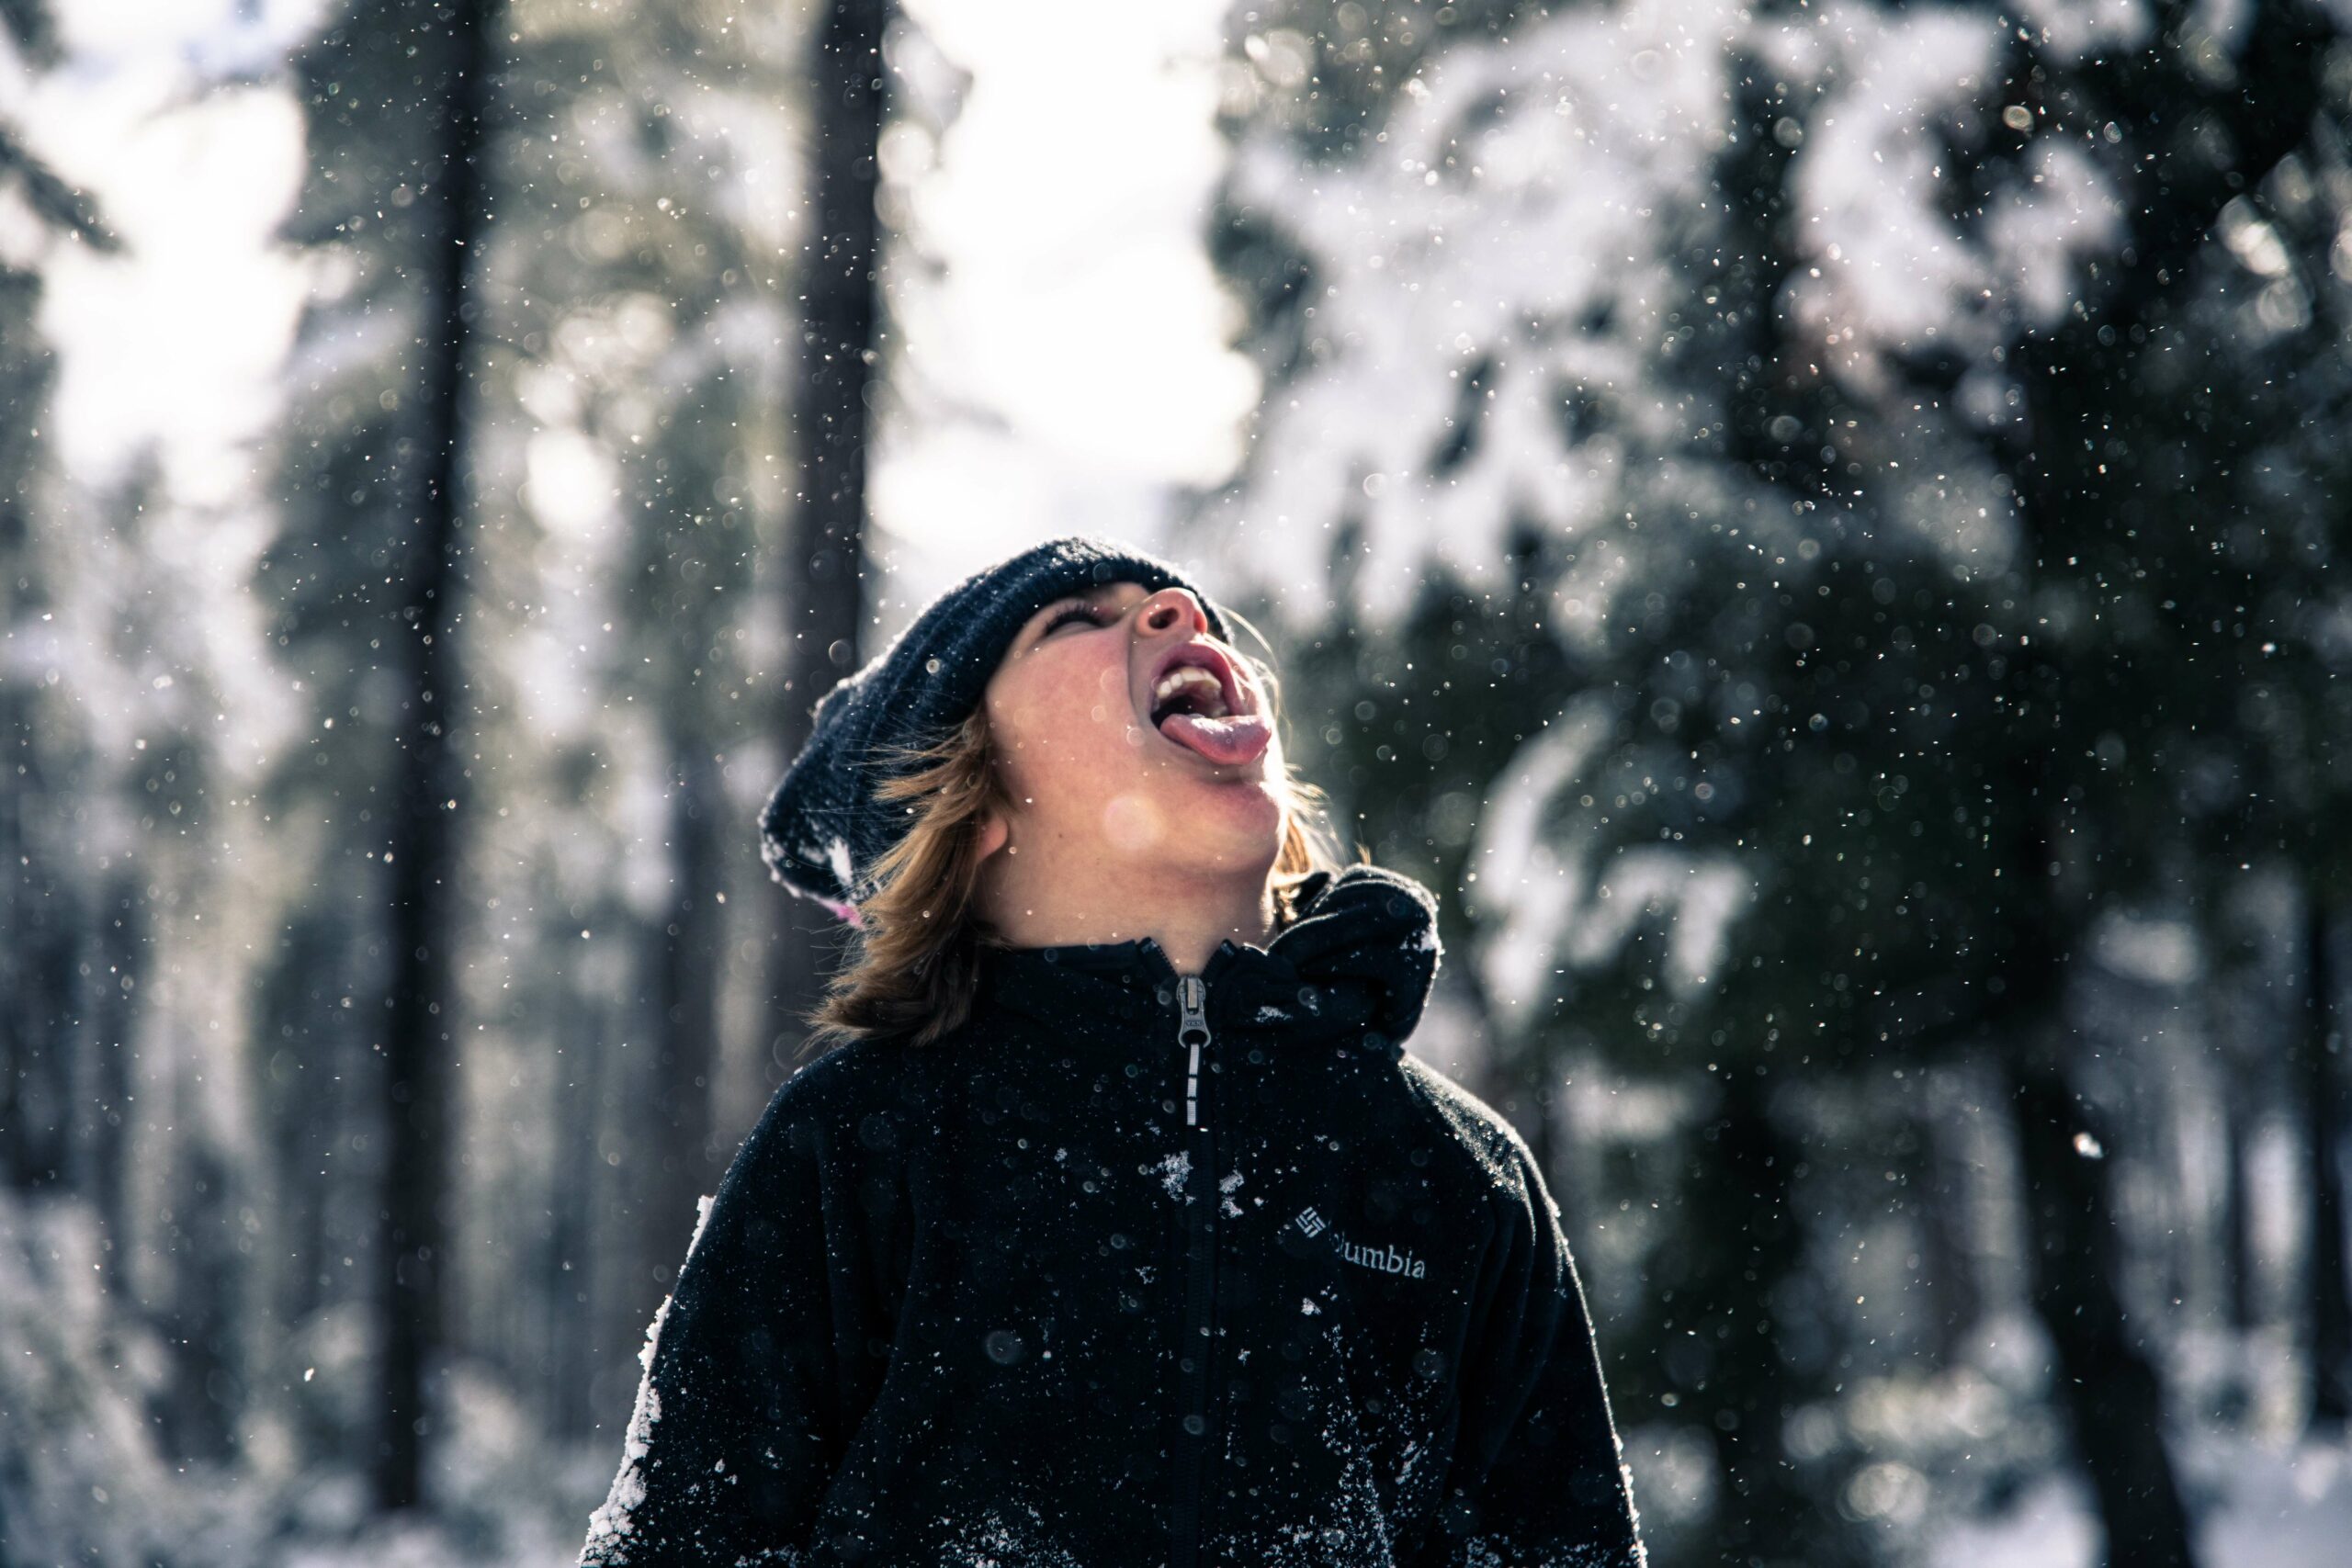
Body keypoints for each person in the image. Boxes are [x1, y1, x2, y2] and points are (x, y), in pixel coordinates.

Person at [575, 536, 1647, 1567]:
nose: (1176, 613)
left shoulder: (1452, 1171)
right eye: (1077, 622)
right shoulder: (858, 1140)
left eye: (1179, 611)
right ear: (975, 806)